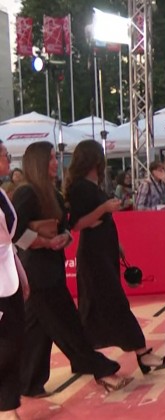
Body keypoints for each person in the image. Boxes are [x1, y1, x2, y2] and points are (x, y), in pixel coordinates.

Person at [13, 141, 130, 396]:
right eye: (51, 158)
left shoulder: (53, 194)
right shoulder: (27, 193)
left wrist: (64, 237)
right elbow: (14, 231)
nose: (56, 162)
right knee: (69, 327)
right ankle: (101, 369)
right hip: (37, 273)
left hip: (50, 271)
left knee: (37, 330)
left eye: (55, 157)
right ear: (38, 162)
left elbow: (66, 226)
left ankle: (28, 382)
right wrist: (45, 242)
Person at [65, 140, 165, 375]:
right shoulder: (80, 187)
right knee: (111, 302)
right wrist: (104, 209)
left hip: (104, 249)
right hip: (94, 254)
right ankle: (141, 351)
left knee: (96, 306)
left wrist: (115, 243)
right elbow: (77, 224)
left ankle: (84, 355)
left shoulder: (93, 184)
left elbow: (99, 221)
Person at [0, 140, 28, 419]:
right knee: (6, 345)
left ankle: (9, 408)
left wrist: (20, 274)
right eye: (3, 154)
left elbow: (9, 240)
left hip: (9, 276)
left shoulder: (2, 193)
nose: (8, 159)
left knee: (13, 341)